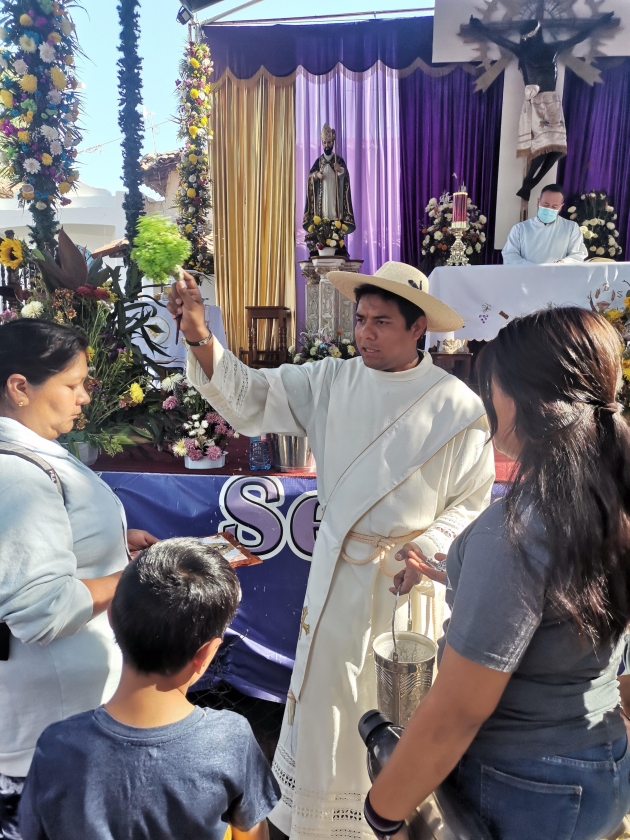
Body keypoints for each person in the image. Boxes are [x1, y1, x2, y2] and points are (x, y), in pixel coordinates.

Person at [167, 261, 495, 840]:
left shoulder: (457, 406)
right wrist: (198, 334)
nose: (364, 333)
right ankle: (320, 821)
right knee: (328, 703)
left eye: (381, 322)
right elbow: (251, 396)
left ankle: (393, 816)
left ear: (418, 328)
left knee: (395, 709)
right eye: (361, 319)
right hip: (336, 576)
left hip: (406, 583)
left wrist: (429, 545)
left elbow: (472, 501)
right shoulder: (331, 381)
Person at [367, 307, 630, 840]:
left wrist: (384, 808)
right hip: (604, 762)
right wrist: (451, 574)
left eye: (494, 389)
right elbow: (560, 604)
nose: (489, 404)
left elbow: (458, 710)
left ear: (530, 402)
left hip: (525, 784)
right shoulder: (608, 498)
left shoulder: (515, 529)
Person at [0, 319, 157, 840]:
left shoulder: (31, 451)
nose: (84, 397)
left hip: (68, 712)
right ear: (20, 388)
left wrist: (113, 544)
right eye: (72, 385)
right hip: (53, 720)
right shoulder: (16, 471)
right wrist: (133, 575)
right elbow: (43, 607)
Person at [19, 538, 279, 840]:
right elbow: (252, 833)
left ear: (113, 617)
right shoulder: (231, 740)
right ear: (206, 654)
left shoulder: (56, 745)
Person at [469, 13, 615, 201]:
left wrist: (599, 22)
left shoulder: (552, 48)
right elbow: (498, 39)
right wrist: (479, 27)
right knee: (544, 146)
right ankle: (528, 184)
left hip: (553, 102)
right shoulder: (524, 52)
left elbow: (578, 37)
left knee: (557, 149)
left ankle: (528, 185)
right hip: (536, 102)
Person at [502, 184, 588, 265]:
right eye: (546, 205)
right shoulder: (520, 229)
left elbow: (578, 254)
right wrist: (532, 268)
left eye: (554, 206)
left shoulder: (571, 228)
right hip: (527, 277)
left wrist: (562, 263)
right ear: (538, 202)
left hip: (558, 277)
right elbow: (510, 255)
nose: (549, 209)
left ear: (561, 206)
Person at [303, 122, 356, 250]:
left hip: (334, 198)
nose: (327, 145)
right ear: (322, 143)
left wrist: (340, 171)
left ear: (333, 142)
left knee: (334, 214)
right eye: (325, 143)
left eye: (329, 142)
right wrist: (316, 175)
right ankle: (321, 239)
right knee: (323, 216)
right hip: (322, 200)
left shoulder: (338, 160)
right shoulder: (319, 161)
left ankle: (337, 238)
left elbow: (346, 178)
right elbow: (310, 176)